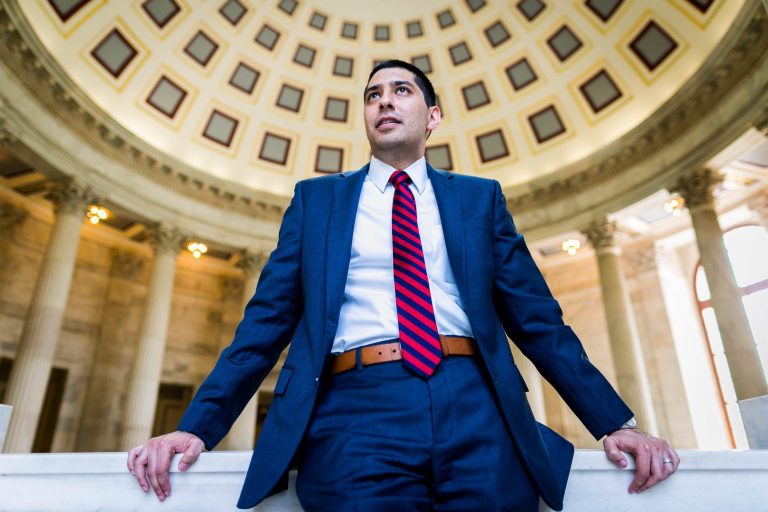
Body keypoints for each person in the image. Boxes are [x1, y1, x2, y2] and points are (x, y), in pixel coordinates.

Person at [127, 59, 679, 511]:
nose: (384, 101)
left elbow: (538, 321)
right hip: (354, 409)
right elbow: (264, 323)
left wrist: (614, 423)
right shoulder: (316, 202)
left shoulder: (478, 199)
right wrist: (195, 427)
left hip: (476, 401)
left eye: (401, 91)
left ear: (432, 115)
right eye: (372, 96)